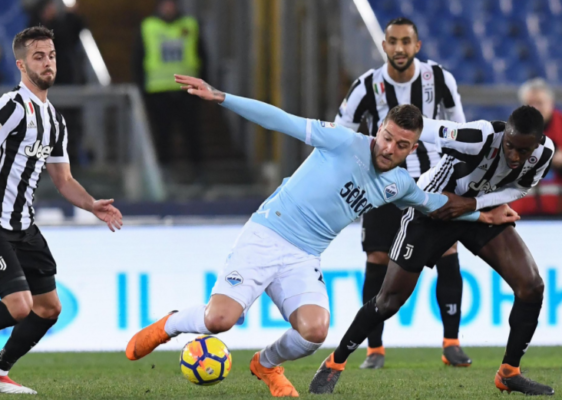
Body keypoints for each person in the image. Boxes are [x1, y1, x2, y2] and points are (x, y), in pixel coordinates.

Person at [125, 74, 517, 398]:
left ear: (412, 148)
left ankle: (266, 365)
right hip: (267, 233)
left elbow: (435, 204)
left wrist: (484, 213)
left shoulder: (399, 184)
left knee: (315, 332)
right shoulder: (343, 140)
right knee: (218, 321)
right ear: (379, 130)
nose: (389, 148)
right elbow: (280, 120)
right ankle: (171, 324)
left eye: (401, 145)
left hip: (305, 255)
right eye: (386, 137)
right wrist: (222, 97)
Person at [309, 107, 555, 396]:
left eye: (523, 151)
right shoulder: (477, 137)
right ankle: (334, 362)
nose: (514, 156)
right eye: (509, 146)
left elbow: (519, 189)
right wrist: (385, 139)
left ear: (537, 144)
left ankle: (509, 372)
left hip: (478, 209)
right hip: (434, 209)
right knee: (389, 301)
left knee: (531, 286)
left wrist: (475, 205)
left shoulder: (545, 154)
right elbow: (423, 127)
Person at [336, 17, 468, 369]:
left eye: (405, 41)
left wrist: (457, 179)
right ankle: (374, 349)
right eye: (392, 41)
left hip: (432, 183)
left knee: (448, 253)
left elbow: (461, 129)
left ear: (417, 46)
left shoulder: (439, 78)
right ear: (384, 46)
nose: (399, 48)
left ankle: (452, 343)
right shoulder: (366, 86)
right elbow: (340, 133)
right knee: (377, 260)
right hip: (383, 186)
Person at [0, 26, 122, 394]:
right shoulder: (11, 107)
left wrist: (91, 204)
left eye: (51, 55)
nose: (48, 62)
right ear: (21, 65)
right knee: (19, 306)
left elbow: (63, 179)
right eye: (38, 56)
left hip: (24, 227)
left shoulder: (55, 120)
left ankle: (0, 371)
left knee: (48, 308)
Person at [132, 0, 206, 179]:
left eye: (171, 3)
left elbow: (202, 56)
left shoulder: (190, 24)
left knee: (192, 133)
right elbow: (138, 59)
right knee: (162, 135)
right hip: (158, 91)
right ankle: (162, 175)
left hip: (188, 90)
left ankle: (199, 173)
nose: (169, 7)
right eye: (165, 4)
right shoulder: (149, 26)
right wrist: (141, 89)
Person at [514, 78, 562, 214]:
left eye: (540, 103)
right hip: (522, 213)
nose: (535, 108)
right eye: (530, 104)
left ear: (551, 103)